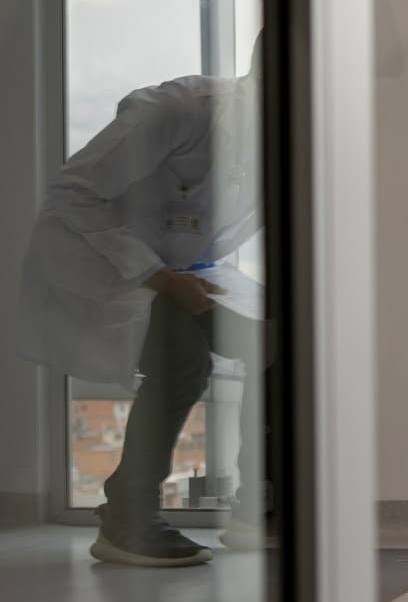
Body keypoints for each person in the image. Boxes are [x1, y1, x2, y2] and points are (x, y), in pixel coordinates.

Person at [16, 37, 271, 567]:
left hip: (187, 264)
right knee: (182, 360)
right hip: (100, 261)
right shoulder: (178, 110)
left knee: (278, 342)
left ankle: (258, 507)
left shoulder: (293, 133)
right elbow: (72, 193)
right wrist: (156, 275)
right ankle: (127, 517)